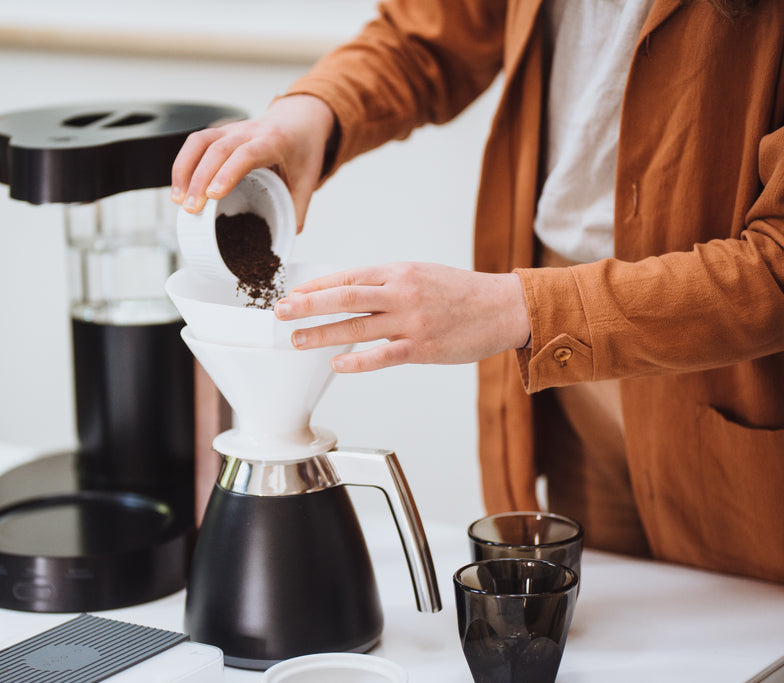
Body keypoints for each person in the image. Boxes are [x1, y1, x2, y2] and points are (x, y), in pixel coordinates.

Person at [171, 0, 784, 583]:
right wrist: (309, 115)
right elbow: (428, 35)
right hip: (571, 385)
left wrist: (515, 308)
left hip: (726, 382)